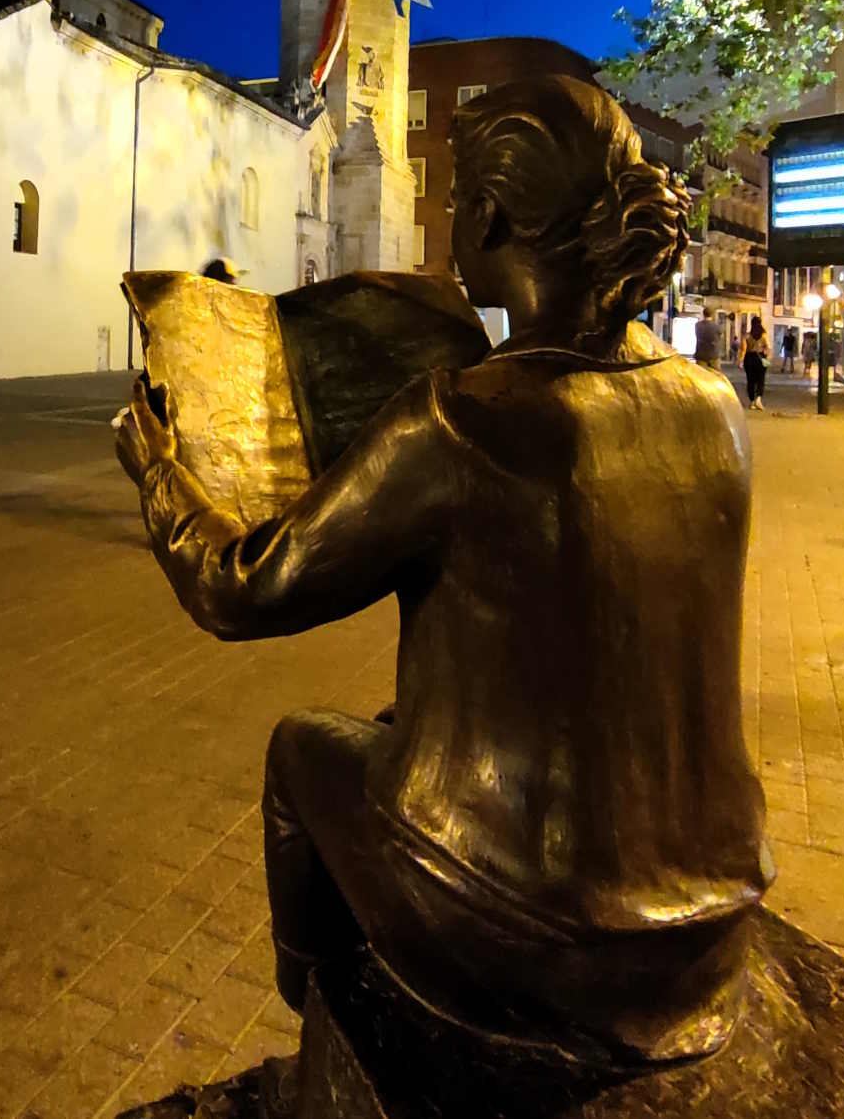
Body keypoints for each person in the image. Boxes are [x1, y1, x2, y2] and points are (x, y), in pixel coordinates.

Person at [116, 75, 769, 1068]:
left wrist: (158, 467)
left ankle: (335, 1034)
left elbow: (241, 588)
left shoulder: (464, 419)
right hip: (713, 924)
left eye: (459, 193)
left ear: (491, 214)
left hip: (533, 934)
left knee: (305, 751)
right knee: (390, 730)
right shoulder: (715, 407)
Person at [743, 317, 770, 409]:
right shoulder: (764, 335)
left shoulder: (747, 335)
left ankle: (752, 401)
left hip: (749, 358)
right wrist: (766, 356)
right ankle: (758, 399)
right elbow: (767, 348)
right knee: (761, 379)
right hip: (760, 358)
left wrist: (740, 360)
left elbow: (743, 348)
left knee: (750, 380)